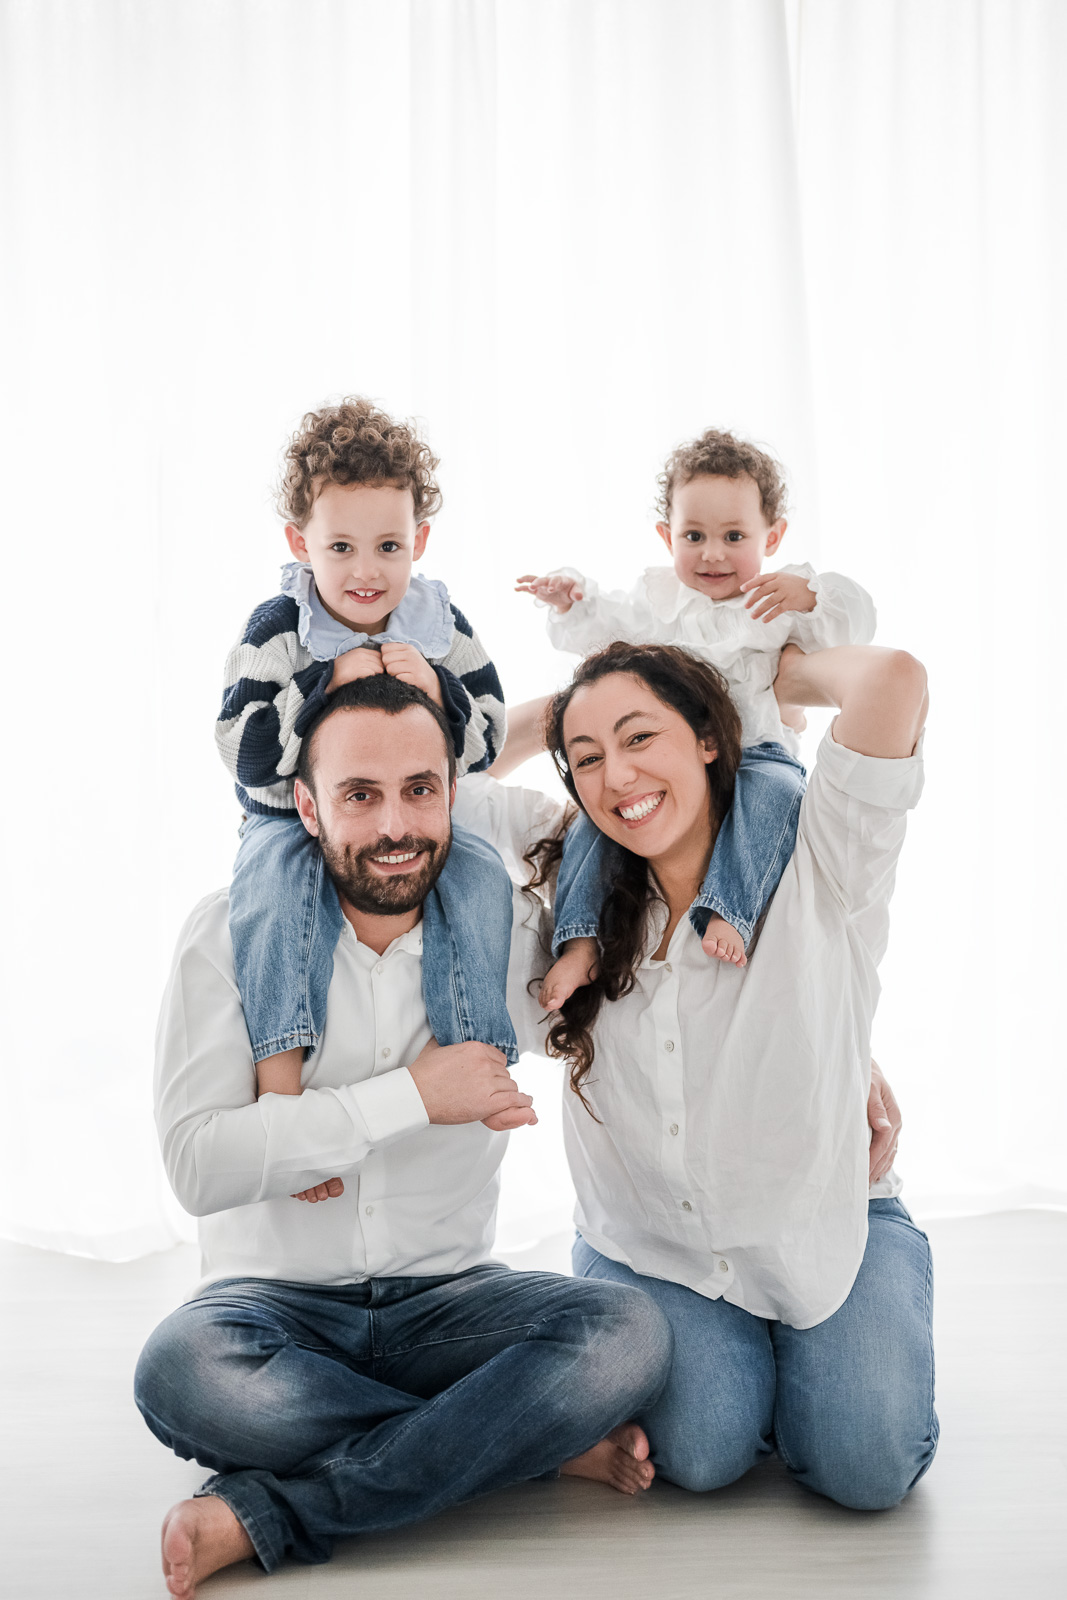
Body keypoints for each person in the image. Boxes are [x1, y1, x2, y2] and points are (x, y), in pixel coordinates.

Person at [136, 674, 673, 1598]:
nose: (397, 826)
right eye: (360, 795)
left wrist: (846, 1062)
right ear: (305, 805)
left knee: (625, 1335)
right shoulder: (227, 934)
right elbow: (196, 1167)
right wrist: (413, 1096)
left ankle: (280, 1511)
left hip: (449, 1303)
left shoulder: (506, 935)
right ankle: (517, 1441)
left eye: (420, 790)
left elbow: (664, 1000)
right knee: (185, 1374)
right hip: (274, 1309)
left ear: (454, 796)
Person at [455, 637, 937, 1510]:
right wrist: (553, 714)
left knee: (864, 1469)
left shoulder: (813, 852)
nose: (617, 777)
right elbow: (430, 794)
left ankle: (816, 1356)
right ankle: (739, 1361)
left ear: (710, 739)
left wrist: (765, 678)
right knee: (703, 1451)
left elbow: (891, 681)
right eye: (588, 758)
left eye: (641, 738)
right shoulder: (569, 882)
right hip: (654, 1246)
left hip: (823, 1228)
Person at [216, 397, 509, 1125]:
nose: (366, 571)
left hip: (398, 811)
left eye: (389, 547)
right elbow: (240, 748)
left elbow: (490, 737)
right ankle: (280, 1084)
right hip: (291, 819)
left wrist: (436, 688)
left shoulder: (439, 626)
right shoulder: (280, 627)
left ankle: (477, 1054)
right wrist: (320, 686)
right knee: (272, 899)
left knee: (478, 874)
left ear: (420, 540)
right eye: (339, 548)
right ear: (299, 541)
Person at [515, 428, 875, 1006]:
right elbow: (603, 624)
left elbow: (852, 621)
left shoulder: (771, 602)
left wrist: (808, 593)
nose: (712, 553)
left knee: (779, 792)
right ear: (666, 536)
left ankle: (729, 909)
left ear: (772, 535)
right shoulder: (658, 601)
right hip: (672, 757)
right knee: (592, 821)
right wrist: (570, 597)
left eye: (734, 536)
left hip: (754, 746)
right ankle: (580, 938)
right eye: (694, 535)